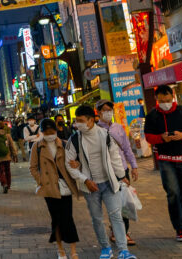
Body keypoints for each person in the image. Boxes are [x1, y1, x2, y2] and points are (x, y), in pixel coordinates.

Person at [65, 105, 135, 259]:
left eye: (81, 120)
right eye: (77, 121)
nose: (78, 124)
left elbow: (115, 157)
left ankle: (123, 250)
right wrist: (85, 180)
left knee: (116, 216)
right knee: (96, 218)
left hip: (109, 183)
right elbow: (69, 165)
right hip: (90, 186)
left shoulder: (105, 135)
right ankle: (105, 248)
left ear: (91, 120)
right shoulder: (74, 139)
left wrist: (121, 175)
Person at [143, 85, 182, 242]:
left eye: (167, 100)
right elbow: (148, 136)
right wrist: (162, 138)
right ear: (156, 99)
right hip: (165, 159)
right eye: (161, 101)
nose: (165, 103)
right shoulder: (152, 116)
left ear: (172, 96)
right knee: (173, 194)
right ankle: (180, 228)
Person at [31, 119, 80, 259]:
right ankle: (60, 250)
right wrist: (42, 181)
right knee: (56, 219)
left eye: (51, 131)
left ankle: (73, 251)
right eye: (46, 132)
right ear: (42, 132)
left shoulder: (64, 144)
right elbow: (33, 167)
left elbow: (75, 161)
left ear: (56, 130)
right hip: (49, 188)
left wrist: (77, 164)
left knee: (68, 218)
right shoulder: (37, 146)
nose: (49, 134)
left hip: (65, 187)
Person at [96, 100, 139, 246]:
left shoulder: (118, 128)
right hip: (106, 173)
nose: (108, 112)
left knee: (124, 202)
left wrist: (134, 166)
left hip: (122, 170)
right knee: (114, 204)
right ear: (98, 112)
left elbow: (127, 149)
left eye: (110, 110)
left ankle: (123, 231)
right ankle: (118, 231)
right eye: (105, 110)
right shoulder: (95, 130)